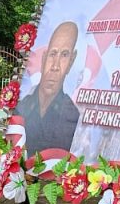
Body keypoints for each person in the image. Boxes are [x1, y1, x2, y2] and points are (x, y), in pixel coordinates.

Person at [18, 21, 81, 153]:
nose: (55, 66)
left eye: (64, 55)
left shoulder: (71, 114)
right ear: (44, 58)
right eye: (53, 54)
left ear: (71, 62)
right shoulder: (23, 105)